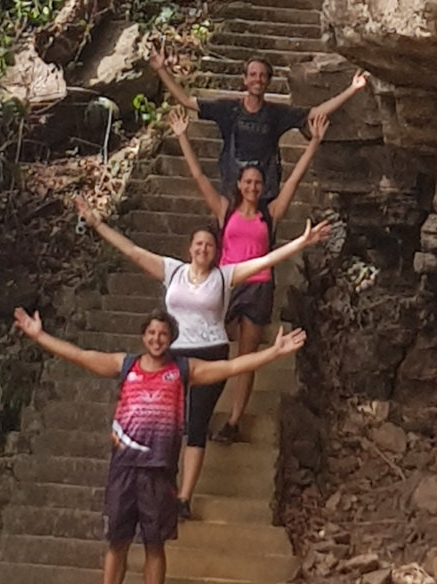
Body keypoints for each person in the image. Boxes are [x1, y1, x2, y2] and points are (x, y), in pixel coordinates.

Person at [11, 303, 304, 584]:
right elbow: (80, 355)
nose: (156, 339)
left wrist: (273, 353)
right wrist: (40, 336)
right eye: (151, 333)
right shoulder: (125, 365)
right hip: (123, 468)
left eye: (163, 334)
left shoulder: (183, 369)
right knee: (117, 541)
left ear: (171, 339)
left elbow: (231, 366)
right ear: (143, 337)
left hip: (159, 472)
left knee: (154, 544)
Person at [71, 192, 335, 514]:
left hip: (210, 353)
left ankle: (183, 498)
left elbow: (265, 261)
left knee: (196, 424)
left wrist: (301, 243)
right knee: (168, 423)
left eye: (209, 245)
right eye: (198, 244)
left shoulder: (224, 276)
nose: (203, 249)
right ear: (190, 248)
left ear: (216, 251)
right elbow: (133, 251)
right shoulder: (173, 271)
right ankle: (161, 485)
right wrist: (96, 223)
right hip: (173, 355)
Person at [175, 109, 338, 443]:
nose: (252, 186)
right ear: (238, 184)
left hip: (258, 287)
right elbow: (198, 177)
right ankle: (194, 412)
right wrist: (181, 136)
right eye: (247, 182)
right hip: (225, 284)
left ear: (263, 187)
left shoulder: (270, 212)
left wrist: (314, 142)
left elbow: (294, 180)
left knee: (246, 357)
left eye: (257, 183)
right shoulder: (225, 210)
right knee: (210, 344)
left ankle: (234, 421)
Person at [148, 48, 370, 206]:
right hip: (232, 189)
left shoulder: (276, 114)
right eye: (253, 75)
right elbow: (186, 101)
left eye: (263, 76)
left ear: (268, 82)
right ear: (245, 80)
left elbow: (315, 113)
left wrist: (352, 89)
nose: (258, 79)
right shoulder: (228, 109)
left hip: (265, 192)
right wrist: (161, 70)